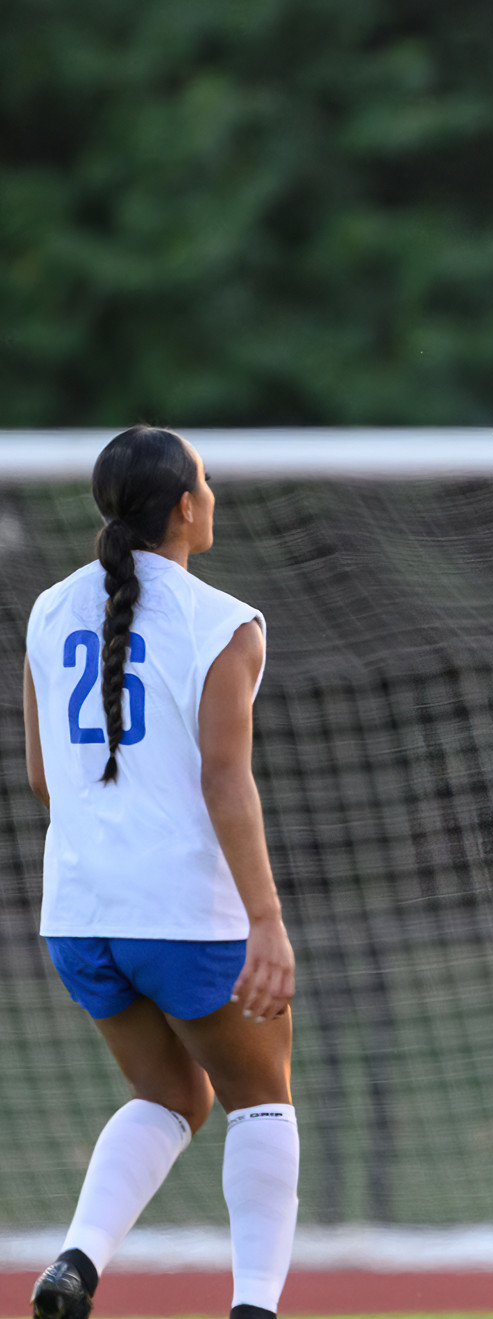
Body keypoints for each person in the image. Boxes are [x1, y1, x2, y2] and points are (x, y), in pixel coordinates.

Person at [22, 427, 299, 1319]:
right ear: (185, 505)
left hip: (77, 912)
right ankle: (255, 1307)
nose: (212, 495)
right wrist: (265, 916)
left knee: (173, 1093)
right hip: (182, 911)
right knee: (263, 1099)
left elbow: (41, 776)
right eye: (207, 482)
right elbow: (226, 778)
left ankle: (76, 1260)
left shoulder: (47, 609)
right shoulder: (224, 622)